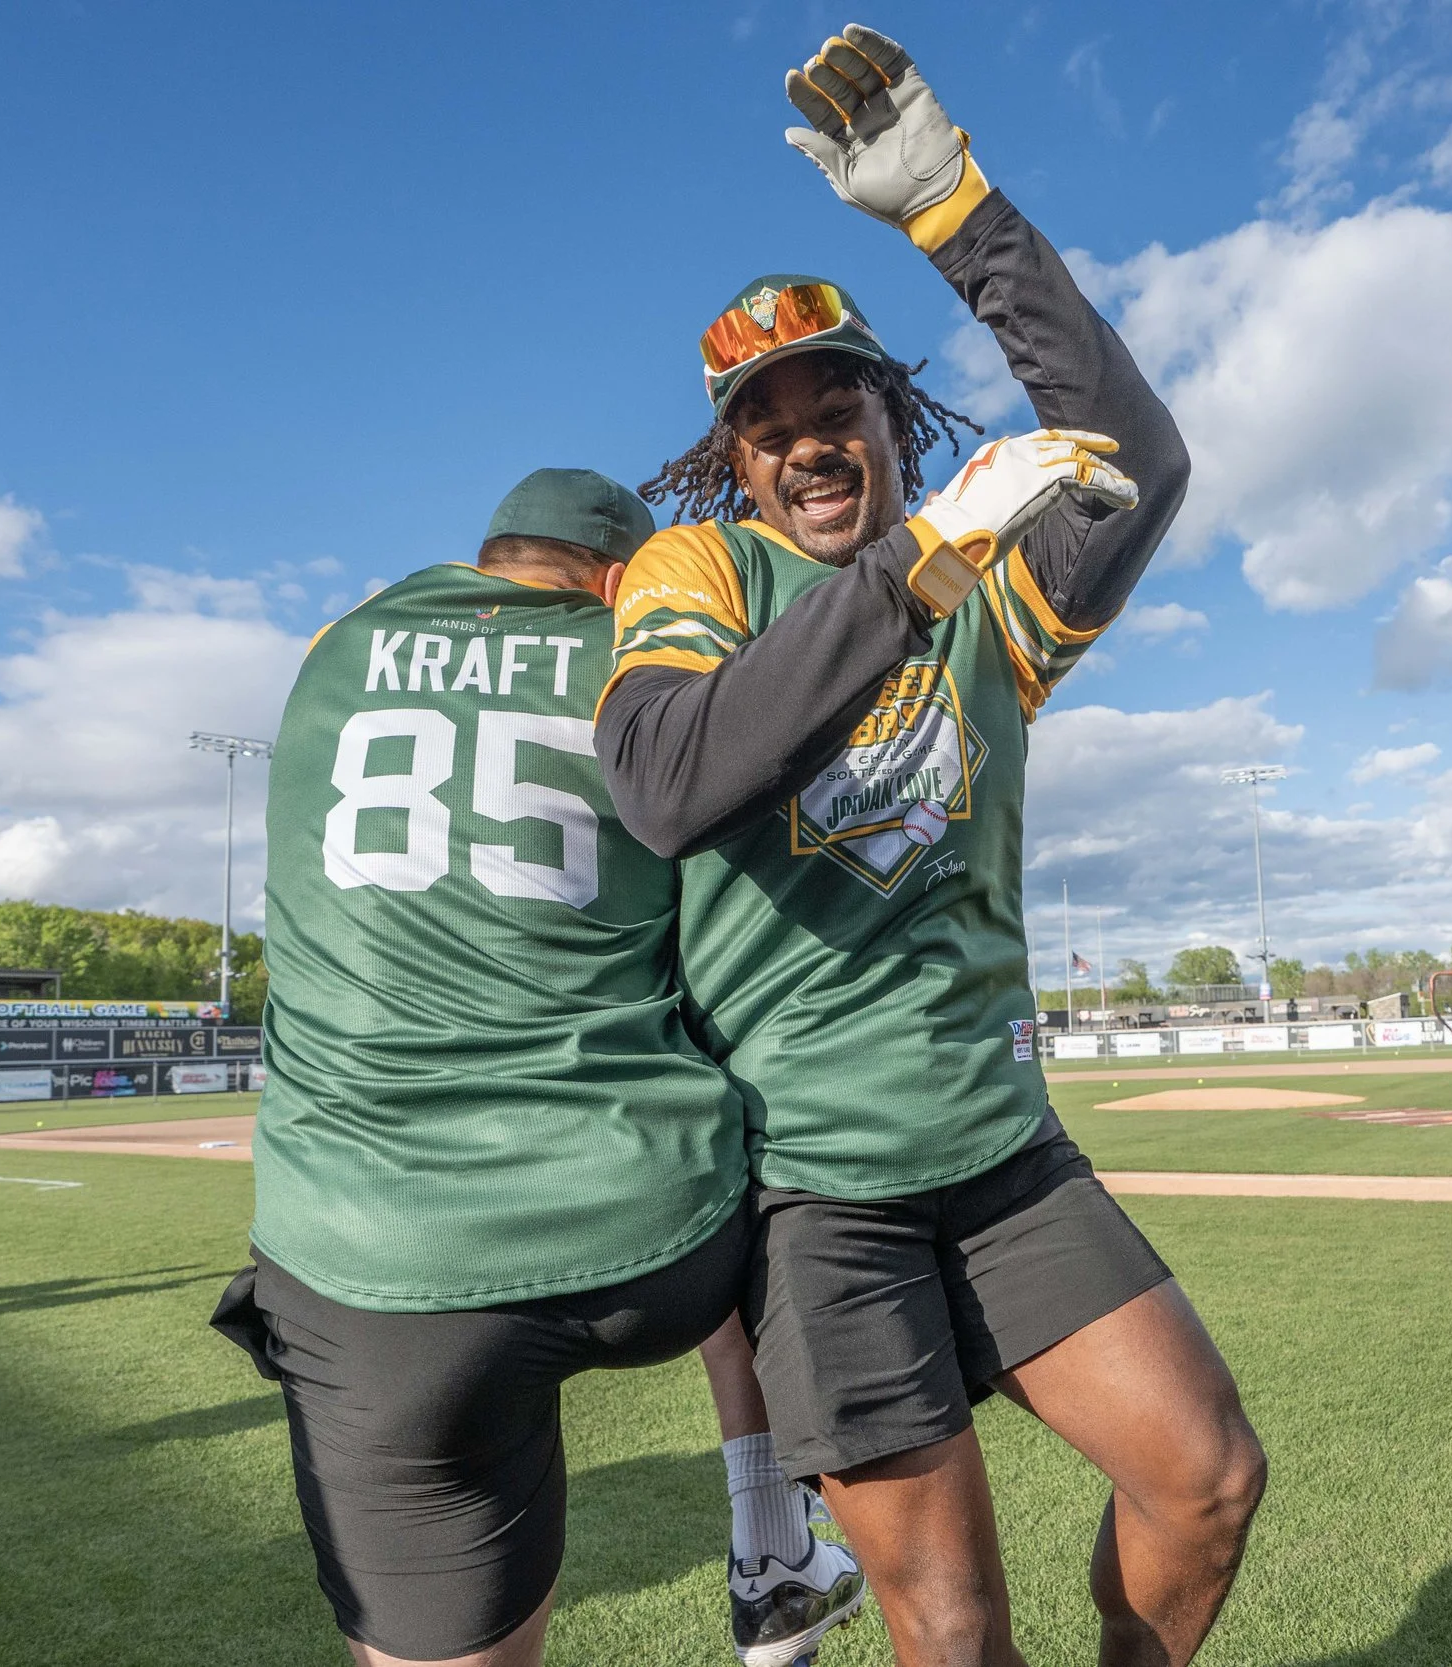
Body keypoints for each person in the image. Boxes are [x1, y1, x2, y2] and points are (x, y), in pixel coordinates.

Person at [596, 27, 1264, 1666]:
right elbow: (672, 780)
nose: (813, 441)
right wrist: (912, 563)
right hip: (814, 1183)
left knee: (1208, 1479)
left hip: (997, 1144)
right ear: (731, 462)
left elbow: (1138, 458)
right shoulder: (698, 571)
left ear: (893, 420)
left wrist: (956, 212)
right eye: (771, 427)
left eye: (844, 408)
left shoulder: (988, 608)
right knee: (953, 1630)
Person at [216, 470, 862, 1667]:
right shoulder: (645, 668)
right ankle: (769, 1532)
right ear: (625, 584)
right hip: (661, 1239)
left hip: (376, 1262)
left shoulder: (333, 651)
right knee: (768, 1162)